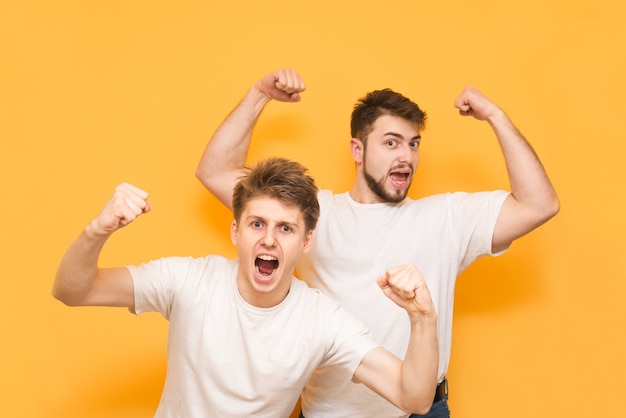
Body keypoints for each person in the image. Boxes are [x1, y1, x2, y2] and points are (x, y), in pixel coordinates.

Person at [196, 69, 560, 418]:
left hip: (420, 411)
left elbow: (539, 204)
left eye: (413, 144)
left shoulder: (446, 217)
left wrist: (495, 115)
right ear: (357, 150)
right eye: (391, 143)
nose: (406, 156)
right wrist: (260, 95)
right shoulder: (311, 213)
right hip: (329, 412)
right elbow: (215, 171)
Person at [52, 157, 439, 417]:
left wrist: (422, 318)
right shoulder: (188, 280)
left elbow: (414, 397)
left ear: (306, 242)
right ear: (236, 230)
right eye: (257, 224)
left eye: (285, 228)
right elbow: (74, 291)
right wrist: (97, 230)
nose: (269, 239)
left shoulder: (321, 319)